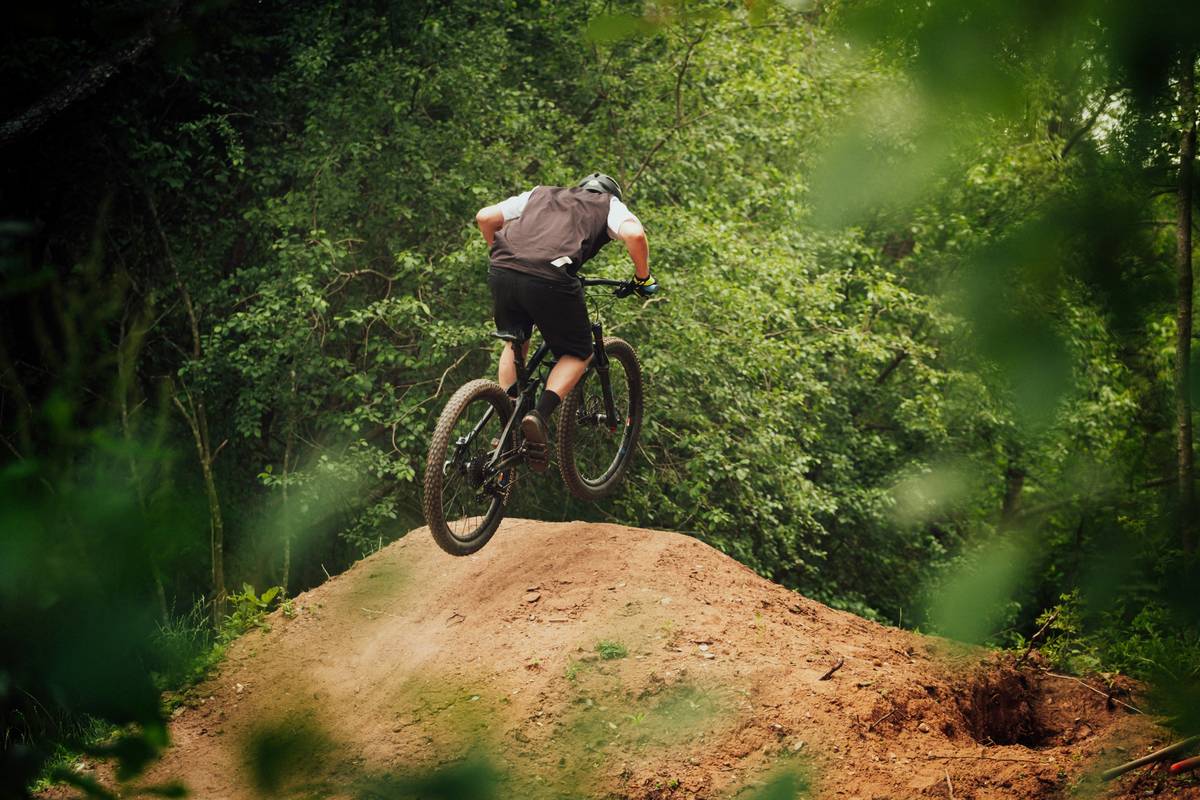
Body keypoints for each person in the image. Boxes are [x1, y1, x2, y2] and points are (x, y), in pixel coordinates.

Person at [474, 172, 657, 471]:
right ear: (611, 194)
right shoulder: (608, 205)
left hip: (502, 269)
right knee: (578, 352)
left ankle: (509, 417)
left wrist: (508, 259)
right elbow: (635, 235)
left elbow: (485, 217)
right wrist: (642, 277)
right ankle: (539, 415)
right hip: (551, 278)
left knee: (515, 339)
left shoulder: (540, 193)